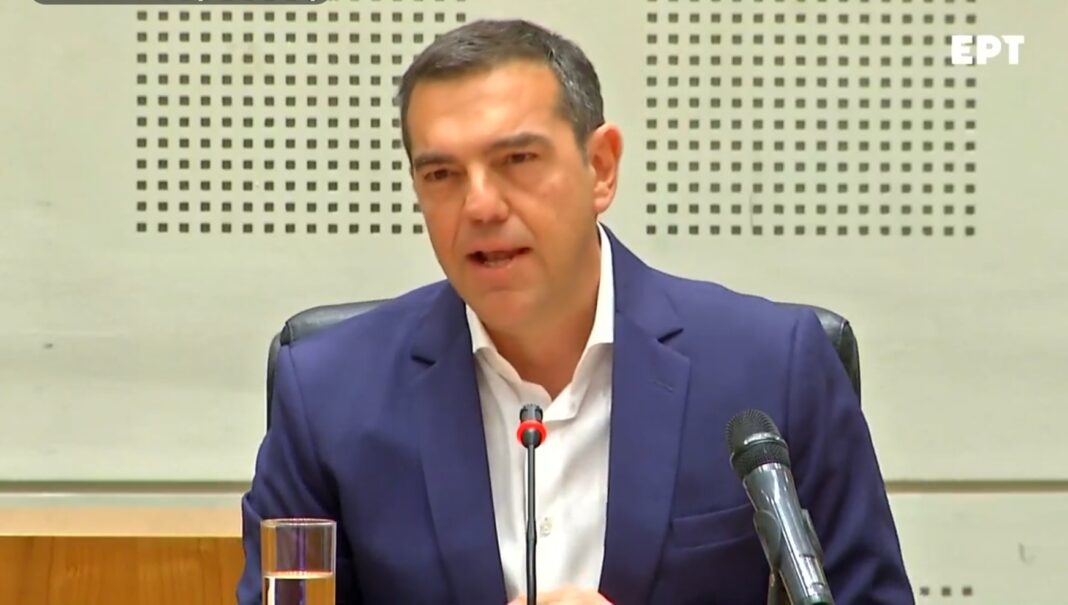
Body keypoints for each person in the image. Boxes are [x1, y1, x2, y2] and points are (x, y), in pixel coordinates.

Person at [237, 18, 913, 605]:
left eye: (517, 160)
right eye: (441, 175)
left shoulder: (773, 370)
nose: (480, 205)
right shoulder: (327, 397)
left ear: (601, 168)